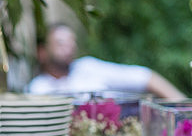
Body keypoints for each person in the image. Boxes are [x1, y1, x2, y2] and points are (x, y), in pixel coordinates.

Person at [26, 23, 184, 98]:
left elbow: (145, 77)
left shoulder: (88, 68)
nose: (70, 47)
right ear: (42, 52)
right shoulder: (37, 89)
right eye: (61, 43)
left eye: (72, 42)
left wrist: (183, 108)